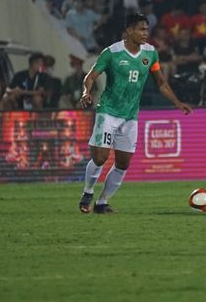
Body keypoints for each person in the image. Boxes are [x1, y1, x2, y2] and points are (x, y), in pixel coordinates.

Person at [78, 14, 191, 214]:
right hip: (108, 112)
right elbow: (91, 76)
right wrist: (87, 92)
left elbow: (161, 83)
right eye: (141, 29)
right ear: (129, 31)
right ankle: (87, 192)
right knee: (100, 158)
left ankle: (102, 202)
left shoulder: (150, 54)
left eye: (147, 29)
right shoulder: (112, 53)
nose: (145, 33)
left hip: (130, 116)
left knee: (123, 163)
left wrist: (177, 102)